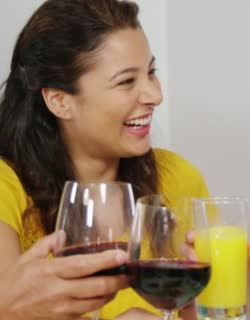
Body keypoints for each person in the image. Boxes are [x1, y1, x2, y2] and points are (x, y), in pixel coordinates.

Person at [0, 0, 206, 319]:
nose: (155, 95)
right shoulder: (6, 186)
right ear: (59, 101)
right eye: (126, 81)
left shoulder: (176, 176)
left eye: (151, 72)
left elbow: (219, 307)